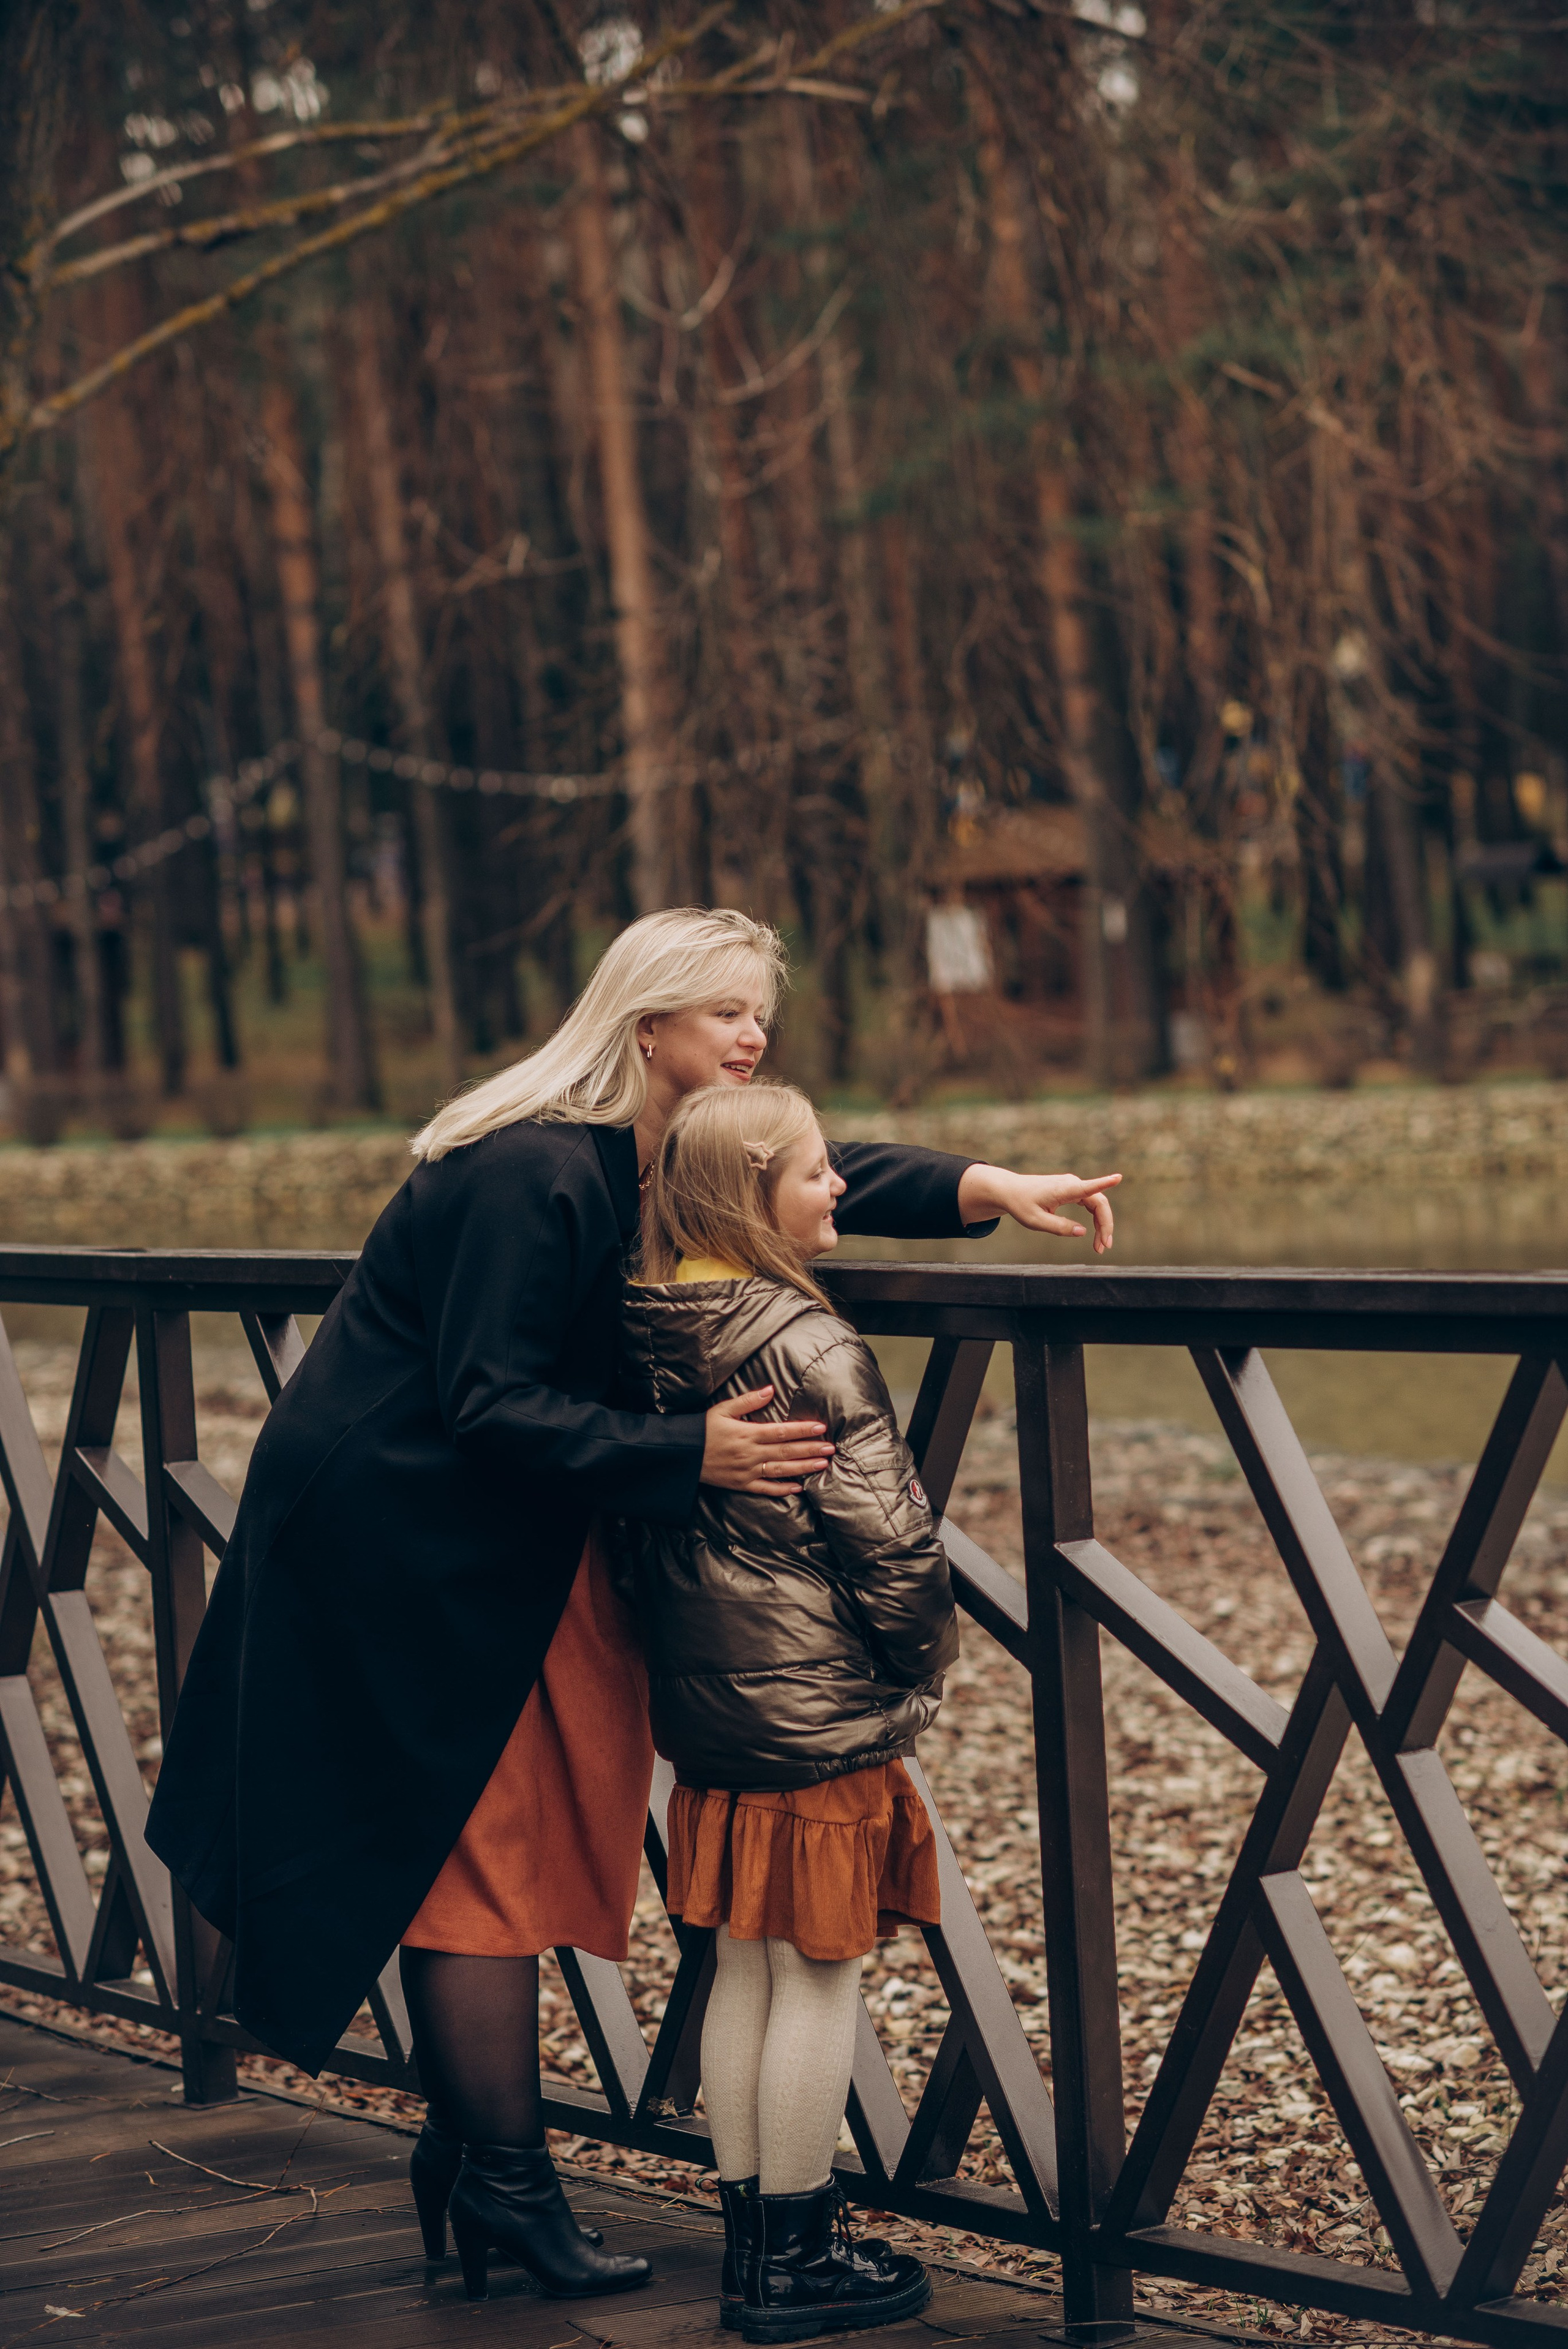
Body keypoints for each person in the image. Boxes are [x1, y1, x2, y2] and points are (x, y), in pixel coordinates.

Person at [146, 905, 1118, 2306]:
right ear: (647, 1023)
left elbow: (798, 1178)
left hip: (487, 1528)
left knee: (503, 1831)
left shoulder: (645, 1153)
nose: (750, 1037)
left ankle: (476, 2155)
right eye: (726, 1014)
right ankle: (505, 2181)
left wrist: (988, 1185)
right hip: (394, 1533)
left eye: (758, 1017)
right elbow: (485, 1398)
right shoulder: (531, 1168)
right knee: (470, 1847)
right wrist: (692, 1452)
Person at [614, 1080, 959, 2343]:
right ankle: (798, 2261)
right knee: (820, 1972)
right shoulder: (804, 1342)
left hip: (705, 1702)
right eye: (816, 1171)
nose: (838, 1189)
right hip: (813, 1704)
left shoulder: (643, 1324)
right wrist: (921, 1665)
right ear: (754, 1193)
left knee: (744, 1967)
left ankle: (753, 2249)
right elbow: (890, 1541)